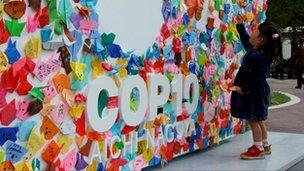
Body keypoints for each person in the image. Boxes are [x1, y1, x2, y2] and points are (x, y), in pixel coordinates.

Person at [230, 21, 282, 160]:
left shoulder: (258, 56)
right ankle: (265, 145)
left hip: (254, 93)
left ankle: (257, 148)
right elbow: (247, 41)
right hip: (257, 91)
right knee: (259, 120)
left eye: (255, 31)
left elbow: (259, 77)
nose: (251, 33)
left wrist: (244, 88)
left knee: (253, 120)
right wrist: (240, 27)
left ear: (260, 39)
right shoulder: (257, 51)